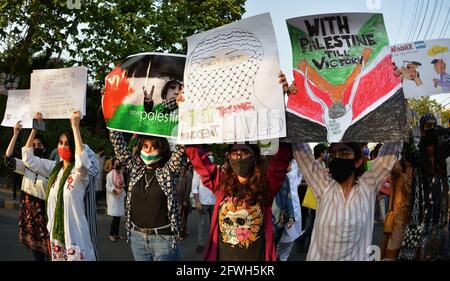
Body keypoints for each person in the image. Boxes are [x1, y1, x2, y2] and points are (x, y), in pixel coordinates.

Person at [293, 141, 402, 260]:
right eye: (334, 154)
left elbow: (390, 151)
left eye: (344, 153)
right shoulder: (323, 186)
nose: (338, 158)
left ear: (358, 161)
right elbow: (303, 156)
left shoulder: (367, 187)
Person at [22, 111, 99, 261]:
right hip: (57, 238)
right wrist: (35, 129)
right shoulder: (54, 169)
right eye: (60, 143)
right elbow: (28, 159)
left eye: (67, 144)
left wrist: (75, 127)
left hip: (75, 237)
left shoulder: (78, 174)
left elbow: (82, 162)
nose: (63, 146)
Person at [108, 129, 186, 261]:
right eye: (145, 146)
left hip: (163, 240)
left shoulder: (169, 171)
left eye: (154, 147)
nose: (149, 150)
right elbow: (119, 147)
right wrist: (112, 123)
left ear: (162, 150)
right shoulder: (136, 169)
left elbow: (182, 148)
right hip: (137, 238)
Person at [399, 113, 450, 260]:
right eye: (429, 126)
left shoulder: (443, 148)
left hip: (440, 204)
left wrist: (441, 130)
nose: (433, 128)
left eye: (435, 125)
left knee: (438, 244)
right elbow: (407, 147)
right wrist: (406, 122)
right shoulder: (417, 151)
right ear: (422, 130)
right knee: (418, 247)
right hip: (421, 207)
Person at [4, 121, 50, 260]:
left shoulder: (50, 166)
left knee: (50, 251)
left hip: (46, 217)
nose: (36, 147)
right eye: (33, 145)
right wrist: (16, 134)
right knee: (38, 253)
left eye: (39, 145)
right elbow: (8, 159)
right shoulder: (25, 166)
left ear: (45, 148)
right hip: (30, 216)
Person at [380, 143, 414, 260]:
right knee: (396, 241)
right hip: (401, 213)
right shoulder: (399, 167)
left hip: (403, 213)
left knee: (397, 241)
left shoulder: (409, 168)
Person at [297, 143, 327, 252]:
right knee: (315, 222)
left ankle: (309, 243)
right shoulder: (316, 165)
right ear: (321, 153)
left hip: (319, 196)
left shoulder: (323, 164)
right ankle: (301, 239)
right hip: (314, 196)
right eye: (325, 152)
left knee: (316, 222)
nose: (327, 154)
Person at [274, 159, 302, 261]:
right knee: (275, 236)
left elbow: (299, 177)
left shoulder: (296, 163)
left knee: (291, 237)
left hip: (293, 202)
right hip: (277, 206)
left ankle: (283, 258)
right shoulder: (275, 162)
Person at [191, 147, 216, 254]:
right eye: (208, 155)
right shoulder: (198, 171)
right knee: (201, 224)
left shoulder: (217, 169)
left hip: (215, 202)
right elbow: (194, 187)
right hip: (203, 201)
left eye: (212, 155)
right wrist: (197, 201)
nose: (210, 157)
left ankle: (215, 243)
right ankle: (201, 244)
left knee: (215, 225)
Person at [105, 158, 126, 242]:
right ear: (113, 165)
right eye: (116, 164)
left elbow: (122, 183)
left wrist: (122, 186)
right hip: (113, 198)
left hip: (120, 197)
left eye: (119, 163)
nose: (118, 165)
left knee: (118, 217)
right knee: (115, 218)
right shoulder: (110, 174)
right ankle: (111, 234)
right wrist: (115, 189)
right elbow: (107, 186)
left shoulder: (120, 173)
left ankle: (116, 234)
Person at [177, 161, 193, 240]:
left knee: (182, 217)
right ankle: (183, 231)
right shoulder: (178, 172)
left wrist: (185, 200)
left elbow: (188, 188)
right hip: (178, 198)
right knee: (181, 216)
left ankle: (182, 234)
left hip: (183, 199)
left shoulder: (188, 174)